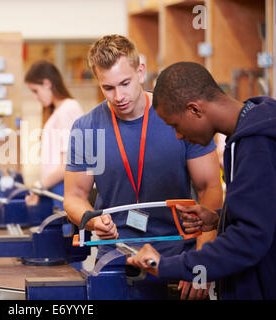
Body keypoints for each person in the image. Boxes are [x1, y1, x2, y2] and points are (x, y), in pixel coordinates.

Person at [63, 35, 224, 299]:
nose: (119, 96)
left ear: (141, 71)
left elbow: (210, 188)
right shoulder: (87, 128)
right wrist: (91, 219)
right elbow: (74, 196)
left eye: (125, 83)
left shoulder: (180, 116)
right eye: (108, 88)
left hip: (177, 261)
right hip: (115, 262)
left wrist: (200, 260)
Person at [126, 61, 276, 300]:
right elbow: (267, 215)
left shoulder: (256, 144)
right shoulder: (245, 137)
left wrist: (164, 265)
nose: (178, 135)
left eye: (175, 125)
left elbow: (249, 239)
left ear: (194, 109)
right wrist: (219, 220)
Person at [24, 60, 84, 210]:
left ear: (47, 83)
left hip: (65, 187)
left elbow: (69, 163)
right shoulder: (57, 111)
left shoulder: (68, 109)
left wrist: (40, 185)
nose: (36, 97)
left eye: (35, 91)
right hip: (56, 187)